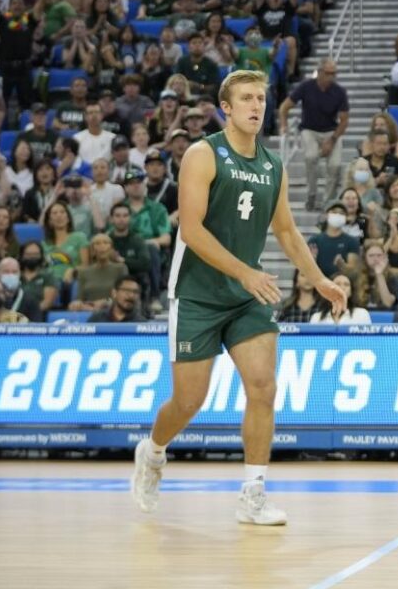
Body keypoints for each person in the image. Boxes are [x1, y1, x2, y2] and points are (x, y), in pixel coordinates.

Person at [130, 70, 347, 526]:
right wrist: (246, 271)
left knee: (263, 386)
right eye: (246, 98)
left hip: (247, 298)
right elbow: (191, 230)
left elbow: (286, 231)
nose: (256, 106)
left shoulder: (273, 165)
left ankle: (253, 492)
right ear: (225, 107)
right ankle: (152, 452)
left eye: (261, 99)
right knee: (189, 401)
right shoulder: (202, 154)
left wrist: (321, 280)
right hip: (197, 295)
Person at [277, 58, 350, 212]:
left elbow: (344, 120)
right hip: (309, 129)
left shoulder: (339, 92)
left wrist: (332, 140)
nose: (331, 77)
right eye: (328, 73)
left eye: (334, 74)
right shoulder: (306, 87)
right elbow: (284, 107)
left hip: (331, 130)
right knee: (311, 156)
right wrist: (284, 125)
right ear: (320, 73)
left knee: (335, 165)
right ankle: (312, 194)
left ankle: (328, 201)